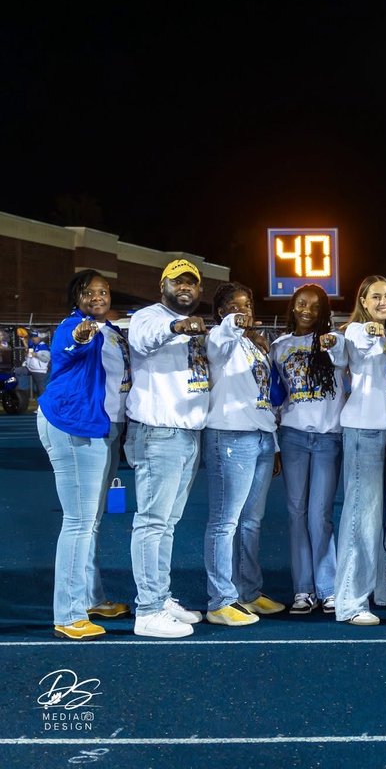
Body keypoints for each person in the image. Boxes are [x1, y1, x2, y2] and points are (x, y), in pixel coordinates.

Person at [36, 270, 131, 639]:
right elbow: (69, 345)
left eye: (103, 291)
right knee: (78, 521)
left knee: (90, 520)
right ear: (76, 298)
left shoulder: (112, 331)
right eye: (88, 292)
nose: (97, 296)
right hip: (74, 424)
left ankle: (91, 598)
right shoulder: (74, 325)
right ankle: (68, 613)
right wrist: (80, 335)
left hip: (102, 428)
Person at [126, 259, 211, 638]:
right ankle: (147, 611)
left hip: (187, 434)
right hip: (159, 432)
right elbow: (144, 338)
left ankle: (159, 598)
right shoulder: (149, 316)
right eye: (178, 282)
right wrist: (177, 325)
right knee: (152, 522)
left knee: (168, 525)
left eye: (191, 284)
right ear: (163, 286)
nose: (185, 289)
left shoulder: (197, 329)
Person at [203, 281, 283, 627]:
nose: (244, 312)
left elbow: (263, 399)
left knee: (251, 522)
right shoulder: (219, 340)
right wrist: (232, 325)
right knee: (225, 521)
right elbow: (219, 342)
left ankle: (248, 592)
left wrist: (275, 445)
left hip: (262, 437)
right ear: (221, 313)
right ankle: (221, 600)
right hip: (231, 435)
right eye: (235, 306)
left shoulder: (253, 346)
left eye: (247, 305)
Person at [271, 284, 347, 615]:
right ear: (292, 306)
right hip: (293, 437)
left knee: (320, 515)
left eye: (315, 307)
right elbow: (272, 398)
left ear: (323, 313)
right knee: (296, 513)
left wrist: (334, 343)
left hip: (329, 438)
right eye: (302, 304)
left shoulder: (334, 342)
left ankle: (328, 587)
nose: (307, 311)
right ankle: (303, 590)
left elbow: (344, 358)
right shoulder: (279, 346)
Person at [333, 276, 386, 626]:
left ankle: (383, 589)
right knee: (362, 516)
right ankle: (350, 600)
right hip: (365, 432)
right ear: (363, 299)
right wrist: (372, 334)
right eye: (376, 296)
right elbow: (359, 345)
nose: (383, 301)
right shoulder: (359, 331)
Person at [25, 333, 50, 404]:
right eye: (32, 337)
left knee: (41, 389)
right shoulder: (33, 346)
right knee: (18, 371)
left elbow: (46, 359)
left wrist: (36, 354)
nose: (33, 338)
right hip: (31, 369)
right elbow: (29, 356)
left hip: (40, 371)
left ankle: (43, 408)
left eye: (35, 337)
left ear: (39, 338)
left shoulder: (43, 346)